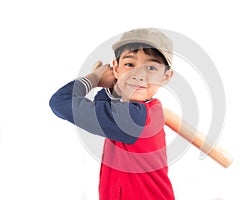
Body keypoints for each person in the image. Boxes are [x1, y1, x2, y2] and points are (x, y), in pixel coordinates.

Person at [49, 28, 175, 199]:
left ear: (166, 77)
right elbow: (104, 105)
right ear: (116, 68)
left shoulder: (136, 119)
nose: (138, 75)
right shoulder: (130, 112)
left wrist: (93, 79)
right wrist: (111, 86)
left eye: (151, 67)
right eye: (129, 64)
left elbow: (60, 103)